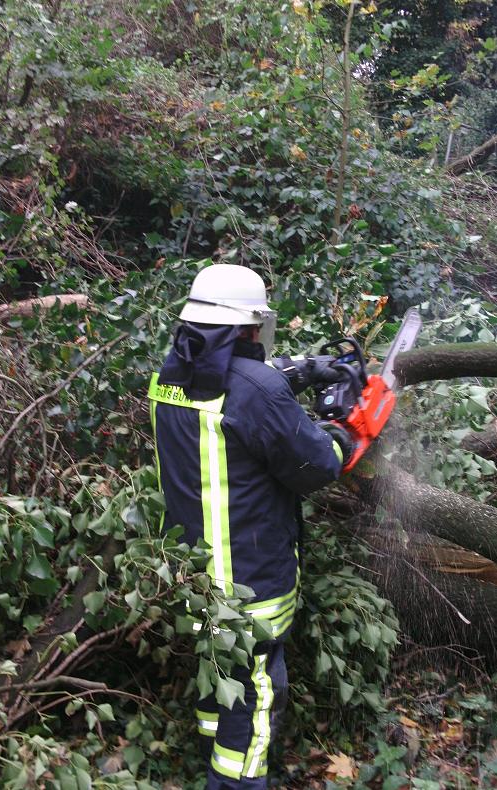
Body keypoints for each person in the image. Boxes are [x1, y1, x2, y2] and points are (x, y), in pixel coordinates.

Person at [148, 263, 351, 789]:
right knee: (255, 694)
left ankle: (211, 753)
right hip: (248, 585)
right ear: (247, 327)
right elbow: (317, 466)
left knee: (217, 674)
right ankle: (235, 781)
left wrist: (303, 369)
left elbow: (233, 385)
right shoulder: (257, 392)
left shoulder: (168, 377)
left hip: (194, 577)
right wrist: (341, 431)